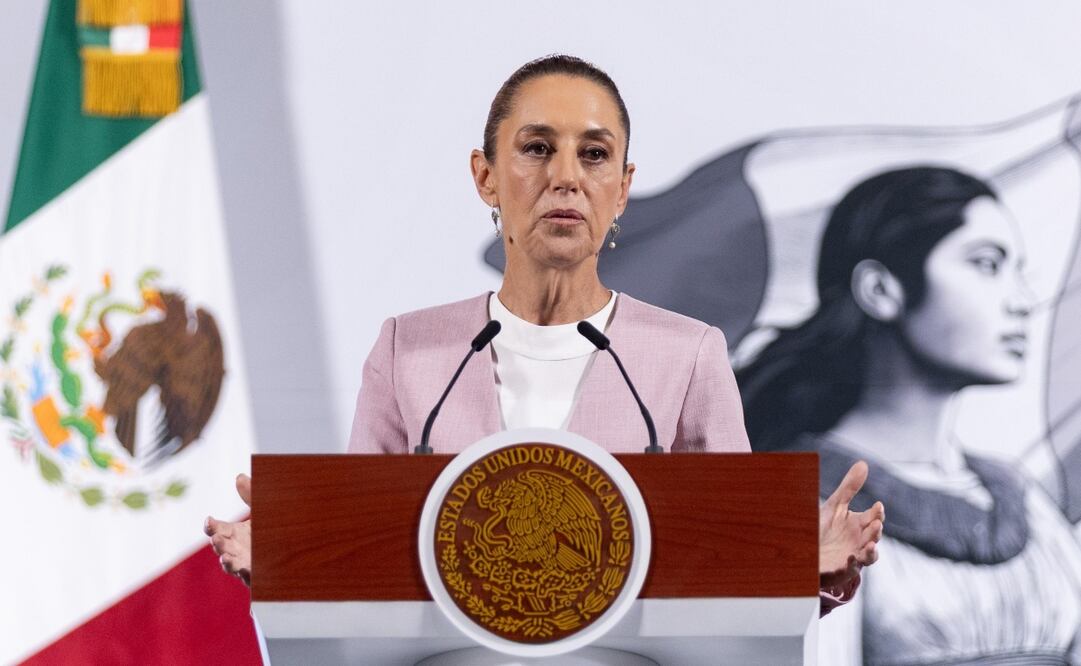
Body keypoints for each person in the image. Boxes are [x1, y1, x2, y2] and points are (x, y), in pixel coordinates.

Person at [205, 54, 884, 615]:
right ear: (486, 176)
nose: (565, 176)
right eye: (536, 149)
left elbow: (735, 565)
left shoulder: (688, 355)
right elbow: (361, 558)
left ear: (621, 190)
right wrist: (291, 561)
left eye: (593, 155)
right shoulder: (409, 353)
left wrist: (802, 564)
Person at [738, 166, 1081, 663]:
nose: (1024, 301)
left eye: (1017, 271)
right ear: (881, 290)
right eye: (986, 264)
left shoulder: (1025, 502)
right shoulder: (798, 504)